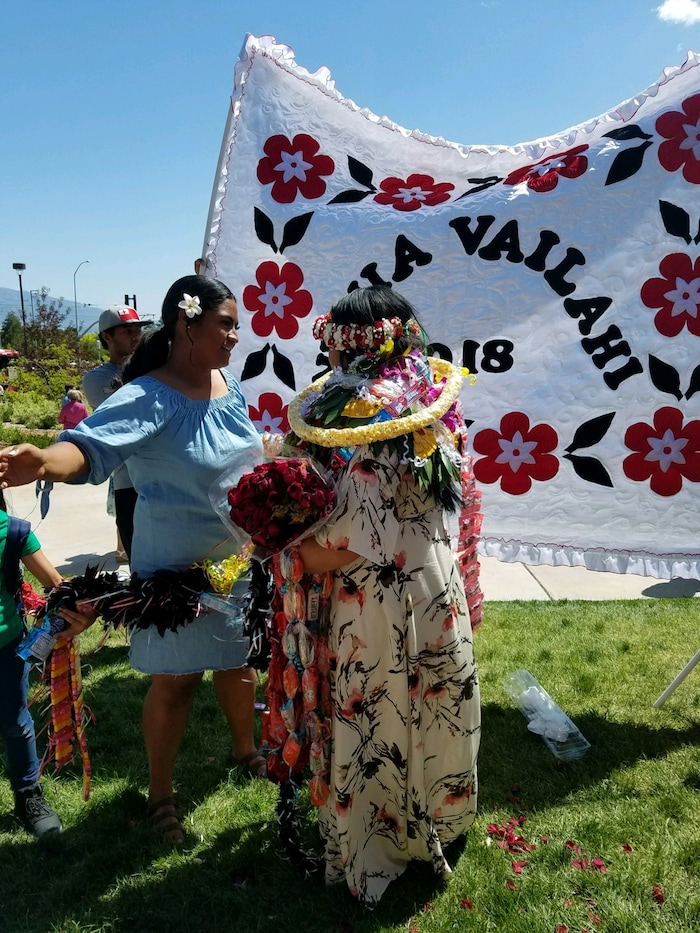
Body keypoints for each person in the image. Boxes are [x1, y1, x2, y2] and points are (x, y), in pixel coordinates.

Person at [0, 274, 267, 844]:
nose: (235, 336)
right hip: (174, 572)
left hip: (237, 559)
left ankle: (246, 749)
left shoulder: (227, 383)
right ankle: (161, 794)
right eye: (226, 323)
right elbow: (89, 446)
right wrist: (45, 460)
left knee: (238, 661)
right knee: (176, 680)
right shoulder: (147, 395)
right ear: (185, 324)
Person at [284, 285, 481, 906]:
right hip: (431, 582)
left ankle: (379, 841)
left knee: (378, 715)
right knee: (438, 702)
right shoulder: (430, 397)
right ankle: (443, 819)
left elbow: (352, 536)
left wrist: (290, 548)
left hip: (370, 595)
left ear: (349, 341)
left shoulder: (361, 413)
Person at [0, 489, 92, 838]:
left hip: (6, 647)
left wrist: (78, 614)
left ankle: (28, 794)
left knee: (13, 721)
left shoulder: (14, 531)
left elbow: (57, 586)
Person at [82, 304, 149, 563]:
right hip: (129, 484)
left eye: (137, 330)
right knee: (140, 566)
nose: (135, 336)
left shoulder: (154, 370)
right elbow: (133, 417)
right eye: (126, 331)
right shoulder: (97, 379)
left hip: (163, 481)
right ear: (107, 337)